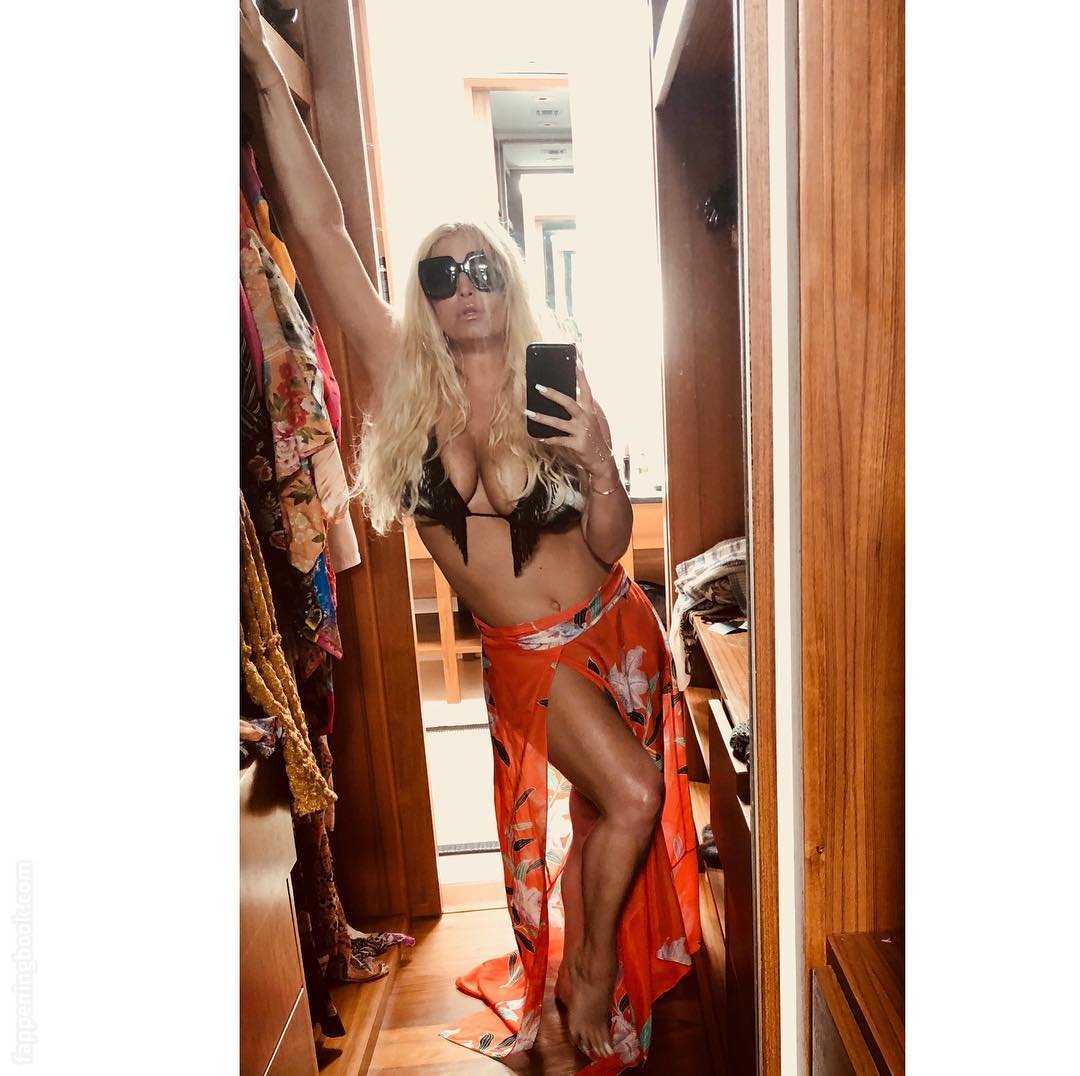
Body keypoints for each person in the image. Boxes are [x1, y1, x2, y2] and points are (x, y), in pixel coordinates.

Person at [241, 2, 701, 1069]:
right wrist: (261, 64)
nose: (464, 288)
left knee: (609, 820)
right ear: (424, 299)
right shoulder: (408, 385)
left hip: (613, 624)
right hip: (528, 659)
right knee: (630, 795)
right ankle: (586, 981)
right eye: (441, 275)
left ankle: (570, 1003)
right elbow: (320, 232)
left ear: (511, 280)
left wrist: (598, 457)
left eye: (482, 267)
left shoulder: (554, 375)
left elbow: (610, 537)